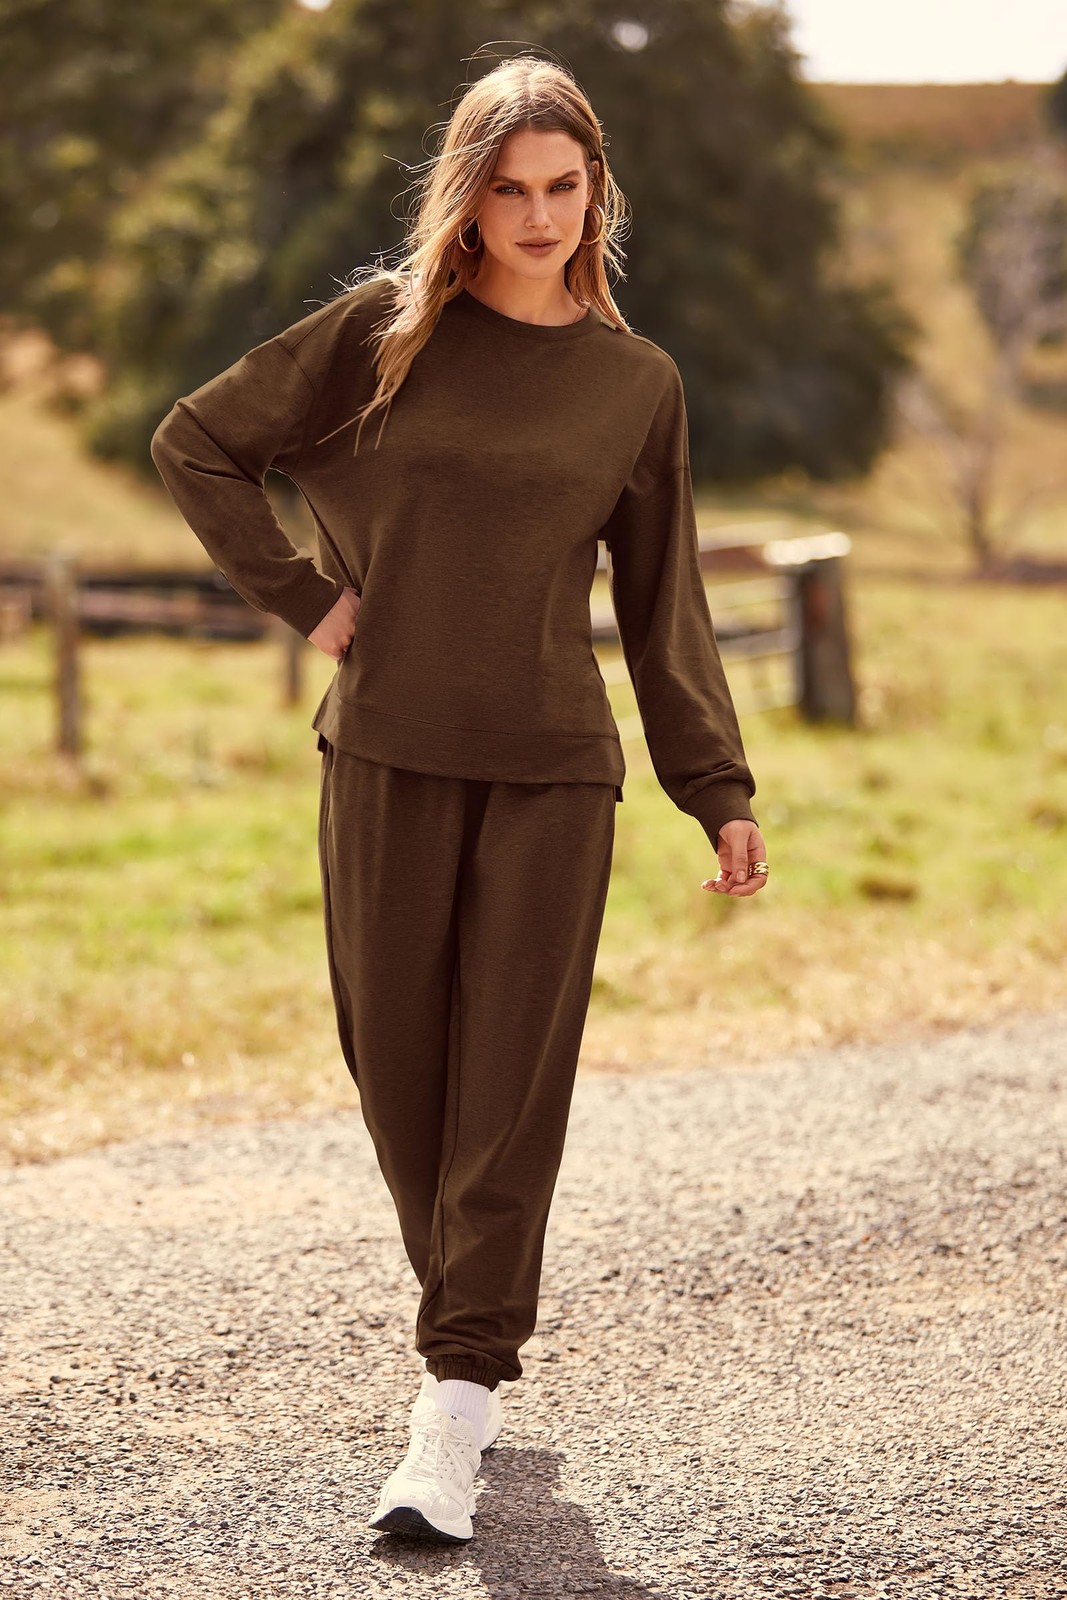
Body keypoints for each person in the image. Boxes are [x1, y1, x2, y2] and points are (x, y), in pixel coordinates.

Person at [149, 50, 769, 1546]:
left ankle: (457, 1395)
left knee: (509, 1088)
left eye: (566, 188)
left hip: (554, 770)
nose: (541, 217)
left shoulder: (634, 384)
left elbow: (665, 601)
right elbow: (199, 445)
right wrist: (309, 600)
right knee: (400, 1072)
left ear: (597, 194)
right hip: (385, 753)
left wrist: (716, 786)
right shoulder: (382, 336)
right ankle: (466, 1332)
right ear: (467, 198)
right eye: (511, 190)